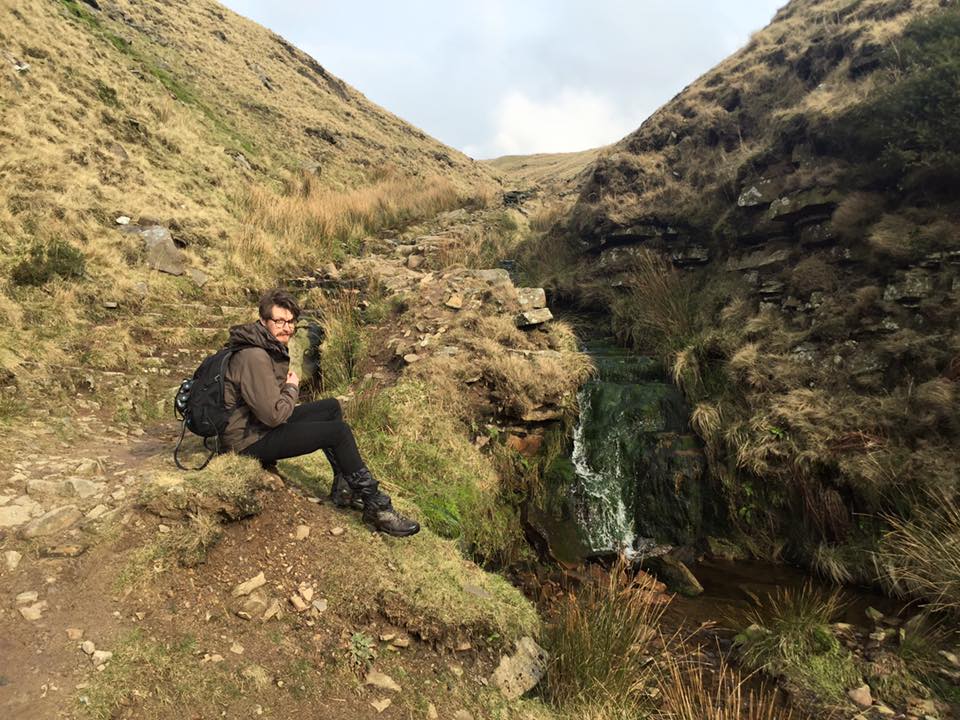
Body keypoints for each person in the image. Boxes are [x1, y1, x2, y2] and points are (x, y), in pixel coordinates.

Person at [221, 288, 420, 537]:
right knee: (337, 432)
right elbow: (273, 416)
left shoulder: (262, 345)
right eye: (279, 321)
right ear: (263, 321)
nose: (286, 328)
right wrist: (292, 387)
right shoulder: (254, 356)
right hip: (247, 440)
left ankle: (344, 489)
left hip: (255, 425)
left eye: (291, 321)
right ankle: (377, 507)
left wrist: (285, 391)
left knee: (330, 407)